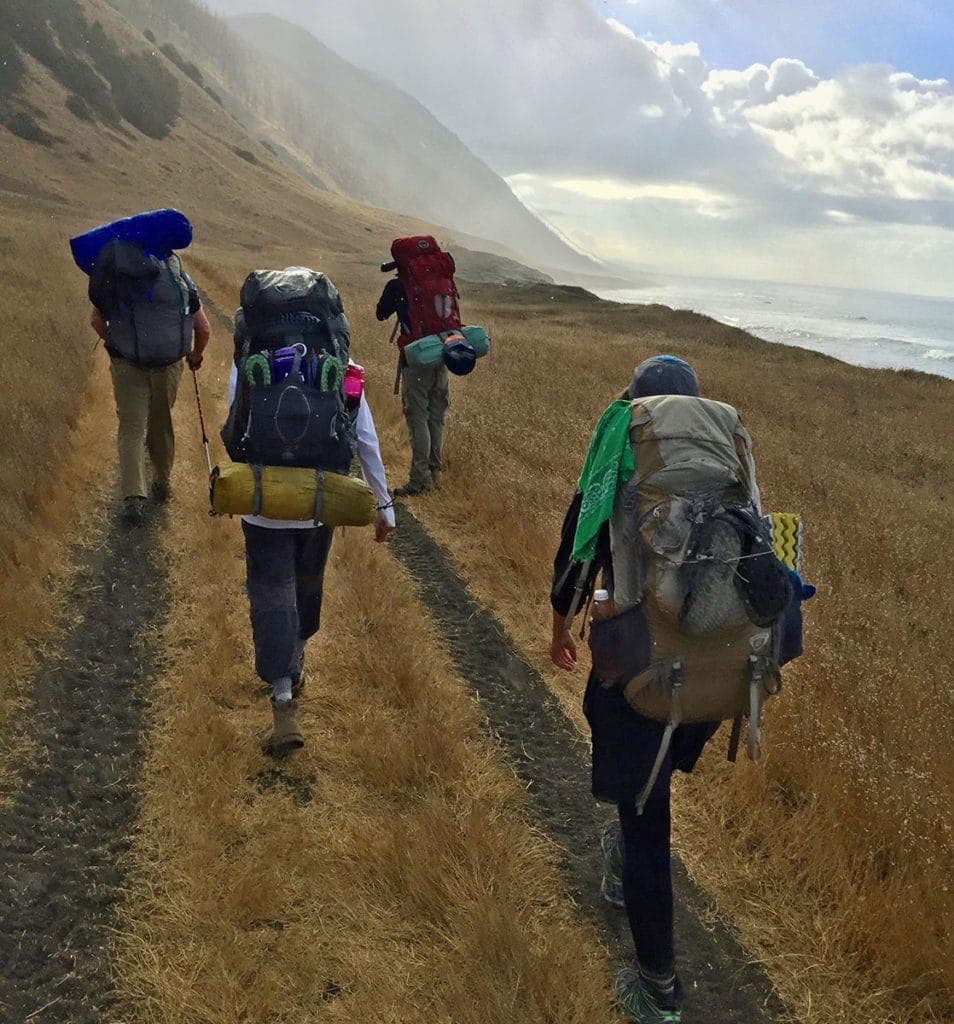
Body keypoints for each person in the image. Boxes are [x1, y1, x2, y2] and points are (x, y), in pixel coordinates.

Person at [550, 355, 725, 1024]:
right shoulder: (725, 466)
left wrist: (559, 627)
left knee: (645, 816)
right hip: (716, 669)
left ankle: (658, 989)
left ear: (634, 407)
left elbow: (577, 551)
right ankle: (623, 852)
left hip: (645, 670)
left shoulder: (619, 459)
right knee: (654, 780)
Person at [227, 357, 396, 757]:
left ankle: (284, 701)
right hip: (320, 502)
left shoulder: (249, 358)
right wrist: (384, 504)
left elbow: (234, 430)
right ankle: (295, 658)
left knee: (271, 594)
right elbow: (363, 435)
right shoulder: (341, 360)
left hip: (263, 501)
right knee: (306, 587)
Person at [90, 255, 211, 525]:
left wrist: (115, 344)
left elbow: (96, 320)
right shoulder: (179, 278)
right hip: (167, 366)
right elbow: (203, 329)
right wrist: (196, 356)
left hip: (127, 365)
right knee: (160, 423)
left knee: (131, 428)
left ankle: (134, 497)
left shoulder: (118, 277)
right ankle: (162, 482)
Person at [375, 253, 451, 496]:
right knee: (436, 417)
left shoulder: (398, 285)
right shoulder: (440, 282)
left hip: (417, 358)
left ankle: (420, 480)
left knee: (418, 417)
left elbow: (380, 313)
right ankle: (435, 474)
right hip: (442, 354)